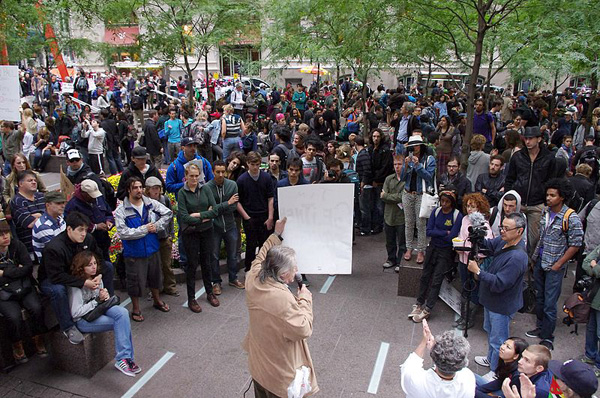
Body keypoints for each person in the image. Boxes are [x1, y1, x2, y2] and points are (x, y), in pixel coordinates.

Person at [243, 217, 318, 398]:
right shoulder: (282, 299)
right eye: (294, 268)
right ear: (284, 274)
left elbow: (261, 256)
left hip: (259, 366)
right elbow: (303, 328)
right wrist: (305, 300)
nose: (297, 270)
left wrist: (276, 234)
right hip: (279, 378)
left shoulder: (253, 277)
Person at [39, 211, 114, 344]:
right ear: (69, 229)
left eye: (85, 230)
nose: (83, 234)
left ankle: (108, 303)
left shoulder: (88, 239)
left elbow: (100, 258)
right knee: (58, 290)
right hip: (52, 278)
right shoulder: (55, 248)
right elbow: (56, 276)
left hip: (77, 274)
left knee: (108, 267)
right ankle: (68, 327)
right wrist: (84, 282)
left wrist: (99, 274)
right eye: (80, 230)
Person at [468, 213, 528, 376]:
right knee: (490, 331)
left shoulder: (517, 257)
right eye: (501, 227)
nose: (502, 231)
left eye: (506, 229)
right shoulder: (505, 241)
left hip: (502, 305)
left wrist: (478, 272)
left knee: (499, 341)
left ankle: (496, 371)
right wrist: (478, 237)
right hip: (491, 300)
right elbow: (489, 245)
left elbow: (500, 283)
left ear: (519, 231)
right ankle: (491, 359)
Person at [527, 179, 583, 350]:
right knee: (540, 297)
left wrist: (559, 264)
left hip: (554, 266)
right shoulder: (545, 212)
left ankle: (547, 336)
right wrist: (534, 258)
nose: (548, 198)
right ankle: (540, 327)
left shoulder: (570, 217)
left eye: (553, 195)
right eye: (547, 194)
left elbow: (576, 243)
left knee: (551, 303)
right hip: (540, 262)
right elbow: (541, 238)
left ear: (562, 197)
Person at [68, 251, 141, 377]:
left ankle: (125, 359)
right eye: (89, 265)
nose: (94, 267)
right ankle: (124, 359)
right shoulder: (76, 286)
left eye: (95, 263)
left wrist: (105, 295)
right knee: (121, 323)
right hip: (84, 320)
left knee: (122, 313)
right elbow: (75, 313)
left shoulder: (97, 278)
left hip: (98, 309)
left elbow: (101, 300)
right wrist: (97, 301)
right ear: (81, 267)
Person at [178, 162, 238, 312]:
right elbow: (184, 217)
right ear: (185, 176)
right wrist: (206, 215)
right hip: (191, 234)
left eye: (196, 176)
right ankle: (192, 298)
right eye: (191, 176)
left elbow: (215, 210)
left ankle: (209, 292)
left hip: (206, 231)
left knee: (207, 262)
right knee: (192, 265)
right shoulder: (182, 193)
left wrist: (199, 215)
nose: (194, 179)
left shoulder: (205, 189)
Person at [114, 177, 173, 322]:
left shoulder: (150, 203)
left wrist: (157, 226)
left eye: (140, 187)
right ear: (128, 190)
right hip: (134, 253)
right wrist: (144, 229)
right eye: (135, 187)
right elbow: (123, 233)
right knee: (135, 282)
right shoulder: (122, 210)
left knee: (155, 278)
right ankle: (136, 308)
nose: (139, 190)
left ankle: (157, 300)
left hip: (152, 249)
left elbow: (168, 214)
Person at [410, 189, 462, 323]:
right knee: (425, 276)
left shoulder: (457, 215)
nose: (444, 204)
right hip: (432, 247)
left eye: (447, 202)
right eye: (442, 201)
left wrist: (439, 233)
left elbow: (452, 237)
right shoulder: (436, 212)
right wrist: (444, 232)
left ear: (452, 203)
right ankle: (419, 303)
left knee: (437, 279)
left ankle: (428, 308)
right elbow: (429, 231)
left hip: (445, 251)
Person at [0, 217, 47, 364]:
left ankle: (39, 340)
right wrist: (16, 270)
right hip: (5, 292)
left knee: (36, 308)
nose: (5, 237)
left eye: (7, 233)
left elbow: (27, 268)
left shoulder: (17, 245)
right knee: (13, 317)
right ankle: (17, 346)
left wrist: (5, 273)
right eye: (1, 235)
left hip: (25, 285)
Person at [505, 126, 558, 256]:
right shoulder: (518, 156)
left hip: (537, 203)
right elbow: (510, 178)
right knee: (512, 234)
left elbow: (552, 181)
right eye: (526, 138)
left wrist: (547, 201)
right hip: (518, 201)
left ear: (539, 139)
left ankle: (529, 265)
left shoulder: (549, 158)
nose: (528, 141)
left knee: (534, 239)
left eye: (531, 138)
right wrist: (509, 197)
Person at [401, 320, 475, 398]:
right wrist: (435, 350)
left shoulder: (416, 380)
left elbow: (411, 363)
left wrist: (425, 341)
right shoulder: (468, 378)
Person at [454, 193, 494, 330]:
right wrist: (459, 246)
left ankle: (469, 318)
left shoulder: (483, 225)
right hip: (462, 259)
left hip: (476, 262)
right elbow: (461, 236)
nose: (469, 209)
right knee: (464, 286)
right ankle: (463, 316)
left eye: (473, 206)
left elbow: (487, 247)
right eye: (468, 205)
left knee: (474, 289)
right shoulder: (465, 219)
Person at [206, 160, 245, 295]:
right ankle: (216, 282)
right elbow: (209, 210)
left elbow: (233, 207)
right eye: (218, 172)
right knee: (214, 255)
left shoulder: (232, 185)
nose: (221, 174)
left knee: (233, 254)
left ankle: (233, 278)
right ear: (212, 172)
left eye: (223, 172)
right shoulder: (207, 187)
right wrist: (227, 203)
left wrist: (218, 207)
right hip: (214, 227)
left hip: (230, 225)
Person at [237, 151, 274, 272]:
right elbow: (238, 201)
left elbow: (270, 198)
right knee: (251, 245)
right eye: (252, 164)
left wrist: (270, 217)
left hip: (263, 216)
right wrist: (246, 217)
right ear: (247, 164)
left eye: (257, 164)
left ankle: (264, 269)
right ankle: (249, 269)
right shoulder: (242, 180)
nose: (255, 167)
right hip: (250, 217)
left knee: (264, 245)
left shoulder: (266, 177)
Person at [401, 135, 436, 265]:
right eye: (412, 146)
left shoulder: (429, 159)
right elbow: (403, 179)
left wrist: (417, 165)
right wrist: (405, 165)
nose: (414, 148)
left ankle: (421, 250)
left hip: (422, 194)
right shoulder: (408, 158)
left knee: (421, 224)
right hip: (408, 193)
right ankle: (409, 248)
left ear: (421, 146)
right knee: (408, 223)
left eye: (416, 145)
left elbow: (429, 177)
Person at [144, 177, 178, 297]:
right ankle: (156, 289)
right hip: (151, 239)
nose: (156, 191)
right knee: (153, 266)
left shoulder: (165, 199)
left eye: (157, 188)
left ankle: (170, 287)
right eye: (153, 188)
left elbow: (170, 218)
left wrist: (171, 235)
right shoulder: (145, 202)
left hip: (164, 237)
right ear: (148, 190)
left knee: (167, 265)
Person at [64, 179, 114, 261]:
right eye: (91, 195)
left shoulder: (99, 198)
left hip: (103, 240)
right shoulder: (73, 206)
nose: (94, 198)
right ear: (84, 193)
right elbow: (72, 225)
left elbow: (108, 212)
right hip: (87, 244)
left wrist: (109, 221)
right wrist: (95, 227)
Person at [11, 170, 45, 260]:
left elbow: (54, 215)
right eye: (30, 181)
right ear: (20, 184)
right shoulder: (17, 201)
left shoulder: (41, 196)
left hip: (46, 244)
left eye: (35, 180)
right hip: (30, 248)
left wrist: (36, 216)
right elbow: (29, 224)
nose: (34, 182)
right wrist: (44, 216)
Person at [381, 155, 406, 272]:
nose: (397, 167)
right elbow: (383, 196)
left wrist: (387, 196)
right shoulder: (388, 179)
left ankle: (400, 261)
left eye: (399, 164)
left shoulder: (407, 180)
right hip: (389, 215)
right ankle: (391, 259)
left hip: (402, 216)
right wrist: (390, 197)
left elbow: (403, 197)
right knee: (389, 240)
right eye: (395, 164)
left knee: (402, 241)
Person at [369, 129, 393, 235]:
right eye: (374, 136)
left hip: (381, 181)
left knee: (380, 205)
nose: (376, 138)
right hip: (372, 180)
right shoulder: (370, 149)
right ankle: (375, 224)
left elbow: (385, 167)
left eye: (378, 136)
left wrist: (376, 179)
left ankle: (380, 225)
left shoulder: (385, 150)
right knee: (372, 204)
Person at [32, 191, 66, 262]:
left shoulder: (60, 219)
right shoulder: (43, 226)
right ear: (48, 205)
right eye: (58, 203)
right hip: (50, 263)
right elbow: (56, 249)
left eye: (63, 203)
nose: (63, 206)